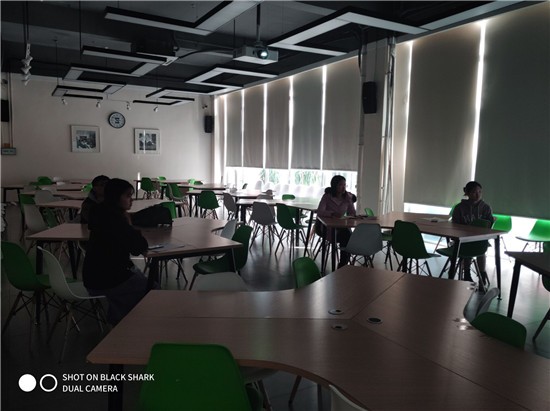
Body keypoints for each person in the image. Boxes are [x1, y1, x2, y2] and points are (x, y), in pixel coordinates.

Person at [83, 178, 150, 325]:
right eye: (128, 196)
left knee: (136, 281)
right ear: (115, 197)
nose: (131, 200)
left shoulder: (99, 212)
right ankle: (131, 326)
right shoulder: (116, 219)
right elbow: (138, 247)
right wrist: (130, 224)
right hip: (110, 279)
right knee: (154, 290)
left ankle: (118, 321)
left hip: (91, 277)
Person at [452, 181, 494, 283]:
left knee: (481, 251)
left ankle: (482, 275)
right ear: (467, 193)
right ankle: (466, 273)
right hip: (464, 239)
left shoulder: (486, 207)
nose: (478, 195)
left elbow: (489, 224)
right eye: (474, 192)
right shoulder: (459, 208)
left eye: (480, 192)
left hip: (480, 239)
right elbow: (454, 225)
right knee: (467, 249)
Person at [316, 175, 357, 267]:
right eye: (340, 185)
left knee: (346, 234)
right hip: (327, 227)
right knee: (346, 235)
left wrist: (350, 202)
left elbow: (352, 213)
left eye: (345, 185)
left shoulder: (347, 197)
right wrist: (332, 214)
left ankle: (343, 263)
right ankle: (343, 263)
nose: (343, 187)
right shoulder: (327, 196)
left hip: (342, 226)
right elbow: (320, 212)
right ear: (334, 186)